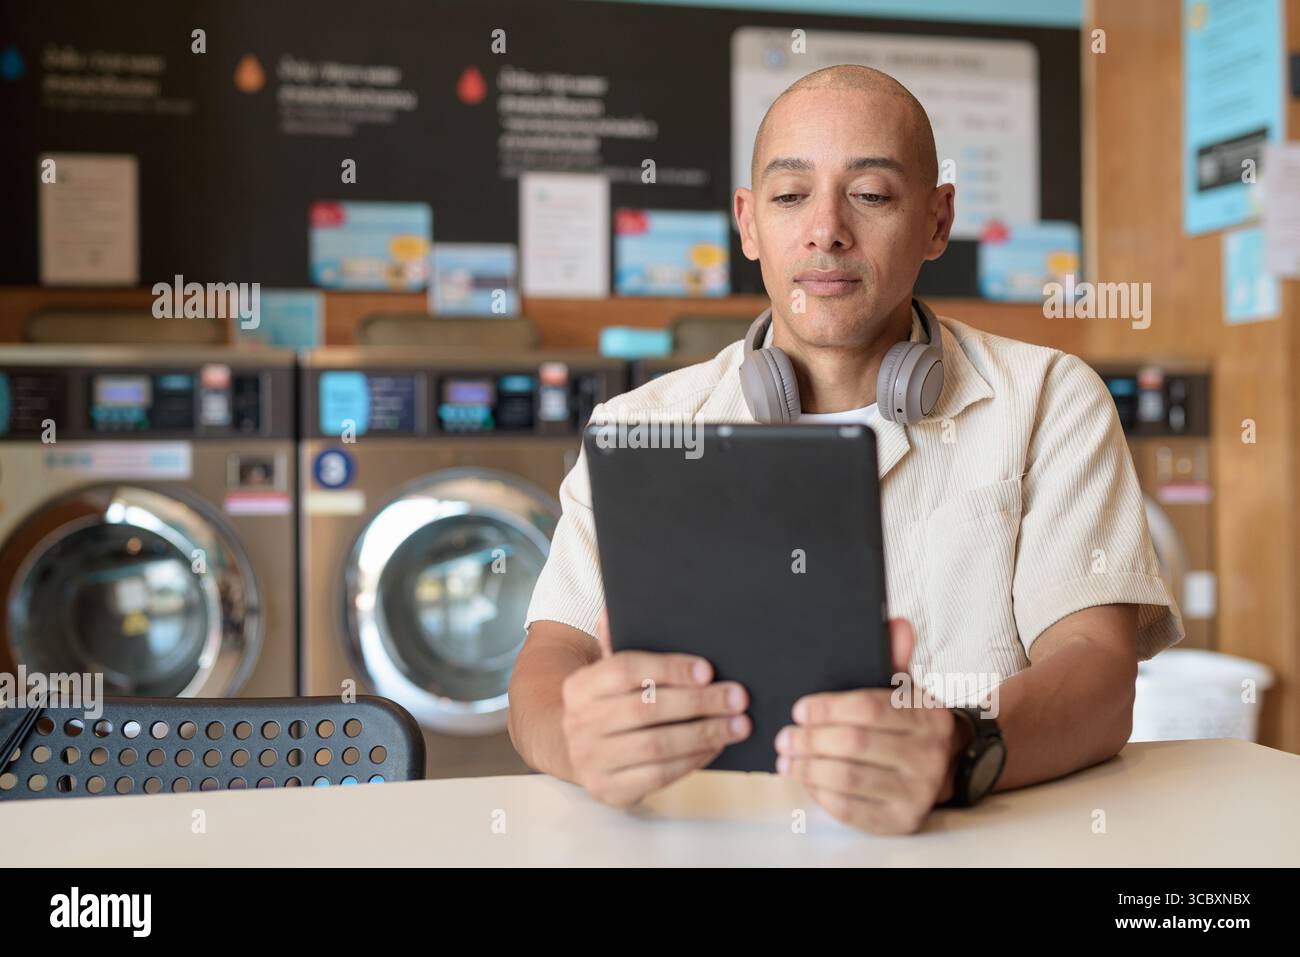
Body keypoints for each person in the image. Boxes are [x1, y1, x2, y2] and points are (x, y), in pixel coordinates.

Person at [507, 64, 1183, 834]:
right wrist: (577, 735)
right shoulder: (643, 425)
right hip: (707, 843)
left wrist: (960, 747)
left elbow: (1098, 674)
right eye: (790, 195)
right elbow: (547, 658)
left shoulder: (1052, 398)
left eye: (870, 194)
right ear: (749, 222)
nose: (826, 229)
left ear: (936, 221)